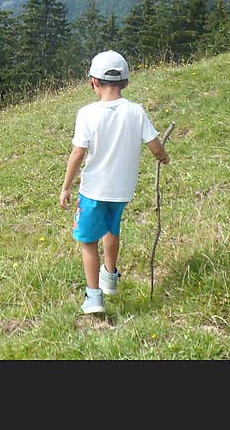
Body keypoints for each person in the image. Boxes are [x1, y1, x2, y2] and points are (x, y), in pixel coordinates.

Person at [59, 49, 170, 314]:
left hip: (93, 189)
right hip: (122, 190)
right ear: (126, 83)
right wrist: (163, 156)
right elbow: (155, 146)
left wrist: (65, 187)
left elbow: (78, 153)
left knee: (87, 242)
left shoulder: (87, 113)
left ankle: (93, 296)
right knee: (112, 228)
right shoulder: (136, 111)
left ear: (93, 83)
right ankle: (110, 274)